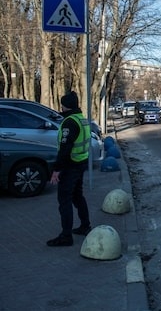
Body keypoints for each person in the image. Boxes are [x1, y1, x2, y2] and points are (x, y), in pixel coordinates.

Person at [47, 91, 92, 247]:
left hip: (70, 165)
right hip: (81, 162)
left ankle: (66, 236)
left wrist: (56, 170)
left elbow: (65, 148)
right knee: (77, 196)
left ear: (64, 105)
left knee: (64, 200)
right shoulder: (81, 119)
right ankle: (85, 225)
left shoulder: (69, 122)